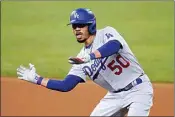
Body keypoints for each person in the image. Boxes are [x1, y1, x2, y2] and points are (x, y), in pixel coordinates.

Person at [17, 8, 153, 116]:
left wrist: (90, 57)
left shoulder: (106, 33)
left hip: (138, 89)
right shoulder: (80, 59)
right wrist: (36, 79)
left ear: (91, 26)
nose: (77, 29)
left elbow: (114, 45)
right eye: (74, 26)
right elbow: (66, 85)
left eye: (81, 25)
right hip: (114, 97)